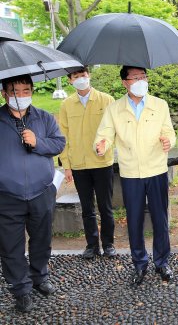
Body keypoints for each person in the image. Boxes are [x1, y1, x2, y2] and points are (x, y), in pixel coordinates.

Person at [94, 66, 176, 285]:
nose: (141, 81)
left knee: (160, 219)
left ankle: (162, 262)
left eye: (144, 76)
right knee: (135, 221)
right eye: (136, 78)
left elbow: (169, 131)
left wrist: (169, 140)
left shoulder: (159, 105)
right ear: (125, 82)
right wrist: (101, 144)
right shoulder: (114, 109)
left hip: (157, 170)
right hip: (131, 173)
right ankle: (139, 264)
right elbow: (104, 134)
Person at [0, 74, 65, 312]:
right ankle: (21, 289)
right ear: (4, 93)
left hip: (41, 193)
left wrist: (38, 142)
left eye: (26, 90)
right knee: (10, 246)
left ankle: (39, 277)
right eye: (16, 91)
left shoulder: (44, 118)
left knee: (41, 240)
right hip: (7, 196)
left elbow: (59, 144)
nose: (22, 95)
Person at [59, 67, 116, 259]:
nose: (81, 79)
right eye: (76, 77)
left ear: (89, 76)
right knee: (87, 208)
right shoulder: (67, 105)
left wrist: (105, 145)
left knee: (105, 206)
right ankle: (92, 245)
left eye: (83, 75)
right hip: (78, 164)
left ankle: (108, 244)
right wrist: (66, 165)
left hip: (102, 163)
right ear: (70, 81)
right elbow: (63, 136)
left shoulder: (106, 100)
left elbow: (113, 130)